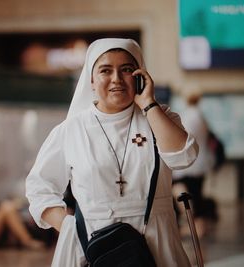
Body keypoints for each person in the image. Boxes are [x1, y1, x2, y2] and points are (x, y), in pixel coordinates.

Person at [26, 38, 199, 267]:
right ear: (91, 79)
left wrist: (148, 103)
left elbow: (184, 156)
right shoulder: (71, 129)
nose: (116, 79)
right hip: (93, 249)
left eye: (126, 69)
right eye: (105, 70)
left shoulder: (160, 118)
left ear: (140, 75)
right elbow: (39, 188)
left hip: (157, 243)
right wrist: (70, 228)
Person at [172, 92, 216, 237]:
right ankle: (198, 225)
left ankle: (197, 226)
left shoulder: (190, 116)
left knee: (191, 193)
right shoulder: (200, 116)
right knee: (196, 194)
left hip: (191, 164)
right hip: (200, 163)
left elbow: (184, 138)